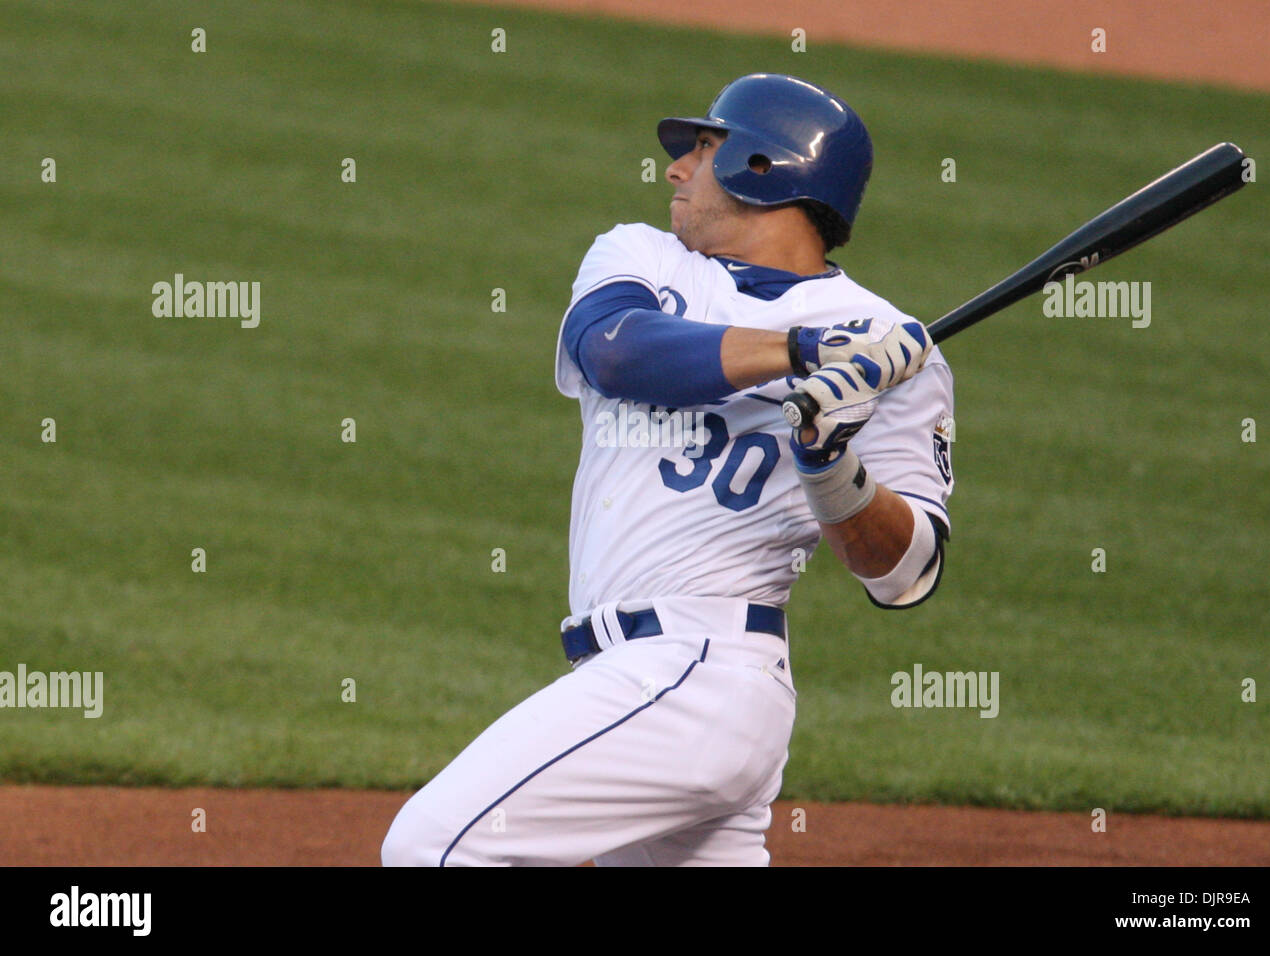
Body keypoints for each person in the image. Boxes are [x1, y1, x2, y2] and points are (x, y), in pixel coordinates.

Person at [382, 73, 955, 867]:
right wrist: (796, 354)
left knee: (433, 847)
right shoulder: (643, 257)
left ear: (765, 167)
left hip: (703, 672)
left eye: (704, 149)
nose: (674, 170)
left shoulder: (895, 351)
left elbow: (906, 573)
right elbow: (614, 351)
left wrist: (830, 462)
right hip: (645, 678)